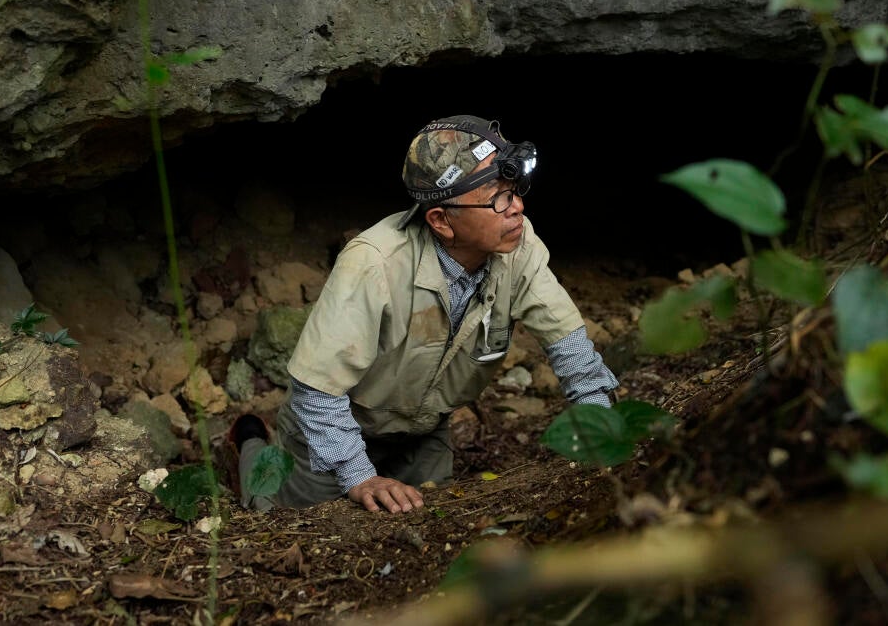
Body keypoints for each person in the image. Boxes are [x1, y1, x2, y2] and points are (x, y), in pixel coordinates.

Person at [231, 114, 619, 514]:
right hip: (331, 425)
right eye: (497, 198)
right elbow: (317, 391)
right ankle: (249, 442)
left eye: (515, 189)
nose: (517, 207)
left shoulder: (519, 246)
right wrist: (359, 475)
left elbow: (570, 347)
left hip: (422, 431)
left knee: (434, 523)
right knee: (278, 514)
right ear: (441, 220)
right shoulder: (375, 263)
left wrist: (603, 434)